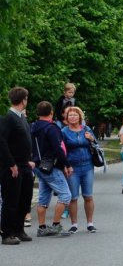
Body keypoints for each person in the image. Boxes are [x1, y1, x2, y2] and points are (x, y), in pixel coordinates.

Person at [31, 101, 72, 236]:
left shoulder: (33, 127)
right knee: (65, 195)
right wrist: (66, 164)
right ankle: (56, 225)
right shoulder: (51, 128)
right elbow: (58, 148)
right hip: (50, 166)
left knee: (43, 196)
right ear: (51, 112)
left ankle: (42, 228)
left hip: (37, 165)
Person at [0, 87, 34, 245]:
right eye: (26, 98)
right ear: (23, 100)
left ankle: (19, 229)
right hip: (12, 167)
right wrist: (11, 163)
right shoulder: (9, 118)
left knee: (25, 199)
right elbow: (2, 142)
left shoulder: (22, 117)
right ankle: (7, 233)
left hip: (25, 165)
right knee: (11, 200)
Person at [61, 106, 97, 233]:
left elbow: (96, 144)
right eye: (70, 115)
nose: (72, 117)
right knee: (73, 197)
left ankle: (90, 223)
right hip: (72, 167)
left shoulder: (86, 129)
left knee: (88, 196)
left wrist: (91, 139)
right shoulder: (64, 131)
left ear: (80, 117)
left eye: (75, 115)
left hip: (87, 166)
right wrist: (65, 165)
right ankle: (74, 224)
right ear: (66, 118)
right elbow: (61, 150)